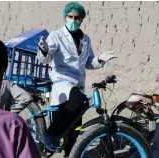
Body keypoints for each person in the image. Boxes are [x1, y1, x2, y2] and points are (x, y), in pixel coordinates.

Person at [36, 2, 116, 156]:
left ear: (81, 20)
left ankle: (70, 153)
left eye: (77, 17)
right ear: (65, 17)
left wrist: (100, 59)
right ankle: (49, 136)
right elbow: (45, 60)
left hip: (78, 84)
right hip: (62, 81)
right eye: (70, 16)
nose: (73, 20)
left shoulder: (85, 39)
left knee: (75, 128)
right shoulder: (56, 35)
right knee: (78, 100)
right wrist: (44, 50)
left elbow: (88, 63)